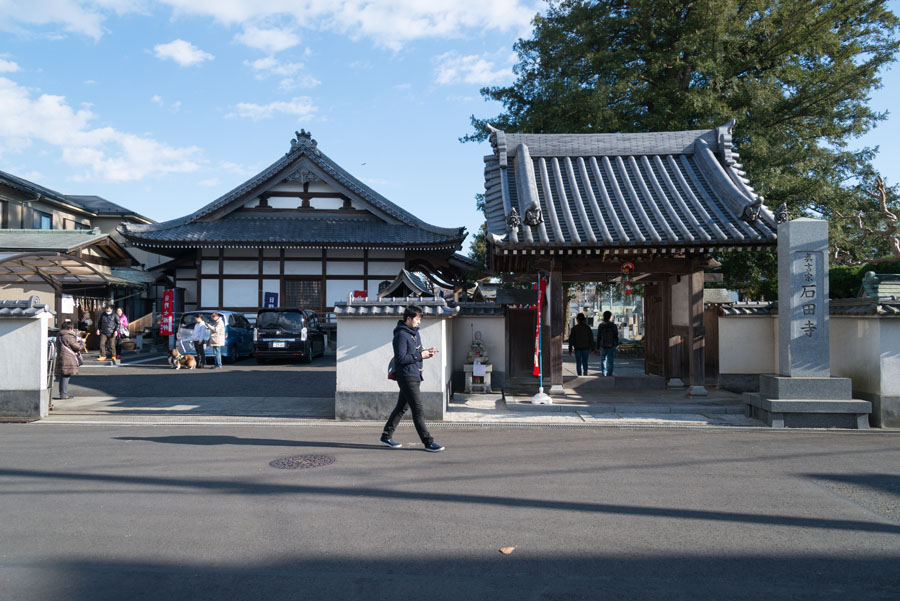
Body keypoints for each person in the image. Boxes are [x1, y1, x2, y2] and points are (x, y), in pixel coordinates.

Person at [380, 305, 445, 452]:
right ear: (408, 319)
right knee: (418, 410)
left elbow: (417, 352)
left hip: (415, 374)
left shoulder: (415, 333)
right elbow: (401, 359)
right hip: (406, 376)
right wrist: (420, 355)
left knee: (401, 408)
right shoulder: (401, 335)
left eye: (420, 319)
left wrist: (427, 352)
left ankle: (386, 436)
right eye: (417, 319)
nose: (419, 322)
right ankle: (428, 442)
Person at [55, 320, 85, 407]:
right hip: (68, 358)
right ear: (69, 328)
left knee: (63, 375)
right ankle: (63, 394)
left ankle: (63, 394)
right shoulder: (68, 336)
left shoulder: (60, 335)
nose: (73, 330)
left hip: (62, 357)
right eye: (72, 329)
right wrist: (82, 342)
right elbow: (77, 347)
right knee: (66, 375)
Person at [596, 310, 619, 377]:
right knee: (610, 361)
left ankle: (604, 373)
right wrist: (617, 344)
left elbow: (599, 336)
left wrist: (597, 346)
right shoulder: (613, 325)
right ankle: (609, 374)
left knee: (603, 360)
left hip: (603, 345)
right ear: (610, 317)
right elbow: (616, 335)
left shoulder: (601, 325)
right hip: (611, 345)